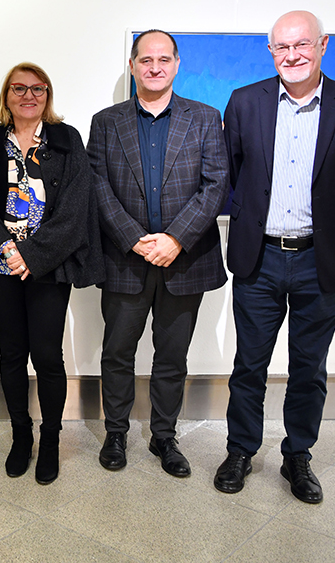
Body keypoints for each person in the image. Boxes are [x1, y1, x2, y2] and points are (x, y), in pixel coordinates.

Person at [214, 11, 335, 504]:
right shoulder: (245, 102)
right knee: (249, 364)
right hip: (259, 258)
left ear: (322, 45)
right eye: (282, 47)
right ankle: (241, 450)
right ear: (271, 52)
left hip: (319, 258)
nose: (292, 55)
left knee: (309, 368)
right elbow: (232, 171)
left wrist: (322, 217)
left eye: (302, 44)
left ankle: (297, 455)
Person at [86, 30, 229, 478]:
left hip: (185, 260)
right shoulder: (106, 122)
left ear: (176, 64)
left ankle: (164, 436)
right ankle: (115, 433)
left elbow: (215, 184)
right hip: (124, 259)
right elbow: (97, 186)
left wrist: (176, 239)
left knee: (172, 356)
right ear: (132, 66)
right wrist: (133, 237)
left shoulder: (204, 118)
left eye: (163, 59)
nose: (154, 67)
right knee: (117, 352)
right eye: (145, 60)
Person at [0, 63, 104, 485]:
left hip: (49, 266)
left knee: (46, 356)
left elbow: (77, 208)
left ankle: (51, 439)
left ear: (48, 95)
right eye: (19, 88)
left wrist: (33, 255)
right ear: (6, 96)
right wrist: (8, 250)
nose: (29, 96)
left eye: (37, 89)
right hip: (0, 265)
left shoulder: (66, 140)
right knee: (11, 354)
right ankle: (21, 436)